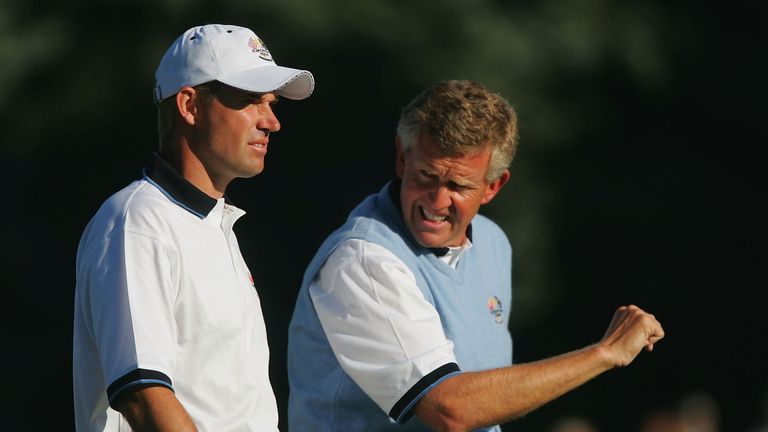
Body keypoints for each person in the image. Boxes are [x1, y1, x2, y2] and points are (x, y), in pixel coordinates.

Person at [287, 79, 664, 431]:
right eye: (425, 176)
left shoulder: (493, 242)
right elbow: (450, 409)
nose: (436, 201)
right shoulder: (364, 260)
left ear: (493, 186)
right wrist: (604, 353)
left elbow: (488, 402)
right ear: (402, 158)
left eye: (456, 185)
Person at [73, 24, 314, 431]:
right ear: (189, 105)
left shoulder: (213, 224)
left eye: (272, 104)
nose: (272, 122)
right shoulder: (138, 221)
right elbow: (144, 396)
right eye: (251, 101)